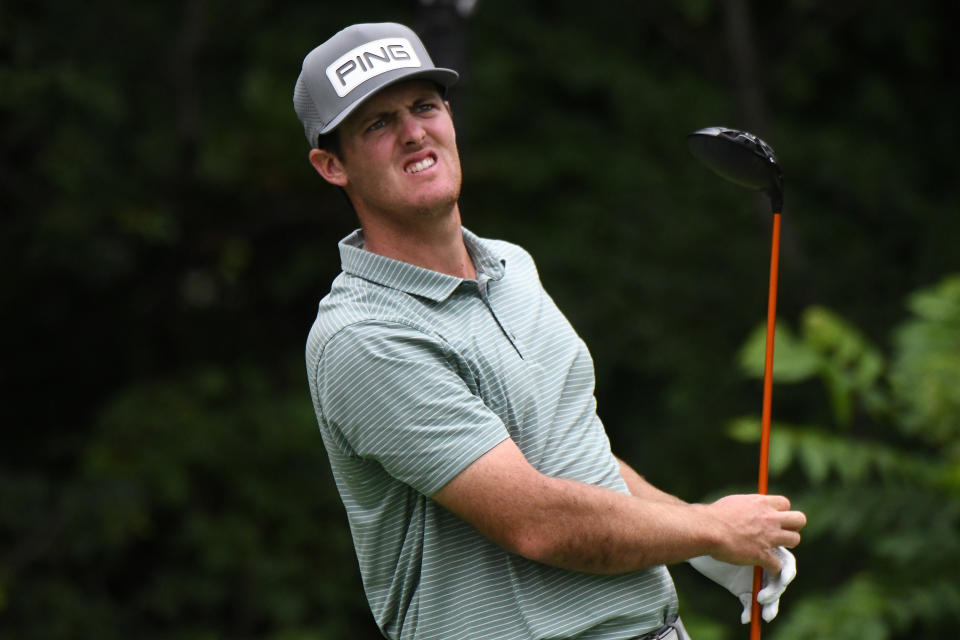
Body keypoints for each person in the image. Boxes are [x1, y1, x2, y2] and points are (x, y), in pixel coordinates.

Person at [294, 22, 806, 640]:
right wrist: (711, 529)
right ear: (331, 165)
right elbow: (536, 520)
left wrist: (694, 538)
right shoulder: (363, 337)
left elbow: (573, 456)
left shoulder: (513, 267)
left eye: (424, 106)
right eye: (377, 124)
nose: (412, 132)